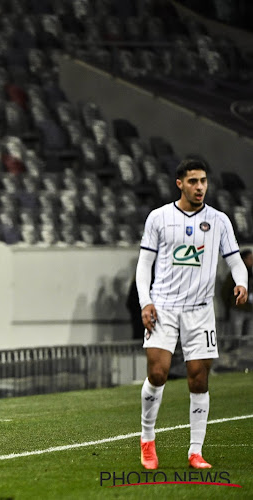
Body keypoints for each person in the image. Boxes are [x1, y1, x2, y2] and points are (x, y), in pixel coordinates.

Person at [135, 157, 248, 471]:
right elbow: (144, 266)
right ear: (180, 184)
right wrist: (146, 302)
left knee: (199, 379)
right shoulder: (158, 218)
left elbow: (236, 260)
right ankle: (147, 439)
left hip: (200, 312)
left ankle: (195, 451)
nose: (200, 187)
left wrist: (242, 282)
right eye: (194, 181)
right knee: (158, 374)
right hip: (164, 307)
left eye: (204, 181)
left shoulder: (219, 221)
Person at [220, 248, 253, 339]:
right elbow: (225, 291)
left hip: (249, 310)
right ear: (243, 259)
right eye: (250, 258)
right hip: (237, 309)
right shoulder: (234, 274)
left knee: (248, 338)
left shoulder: (250, 274)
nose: (252, 261)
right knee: (235, 336)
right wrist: (230, 305)